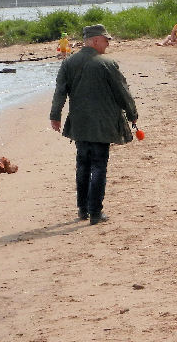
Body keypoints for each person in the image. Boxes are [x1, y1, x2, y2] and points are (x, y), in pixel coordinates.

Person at [50, 24, 138, 225]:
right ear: (95, 40)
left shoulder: (69, 63)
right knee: (98, 166)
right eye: (106, 40)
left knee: (82, 165)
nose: (108, 43)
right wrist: (133, 113)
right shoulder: (107, 63)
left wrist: (55, 116)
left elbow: (60, 92)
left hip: (80, 123)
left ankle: (83, 209)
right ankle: (95, 212)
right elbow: (122, 92)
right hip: (102, 124)